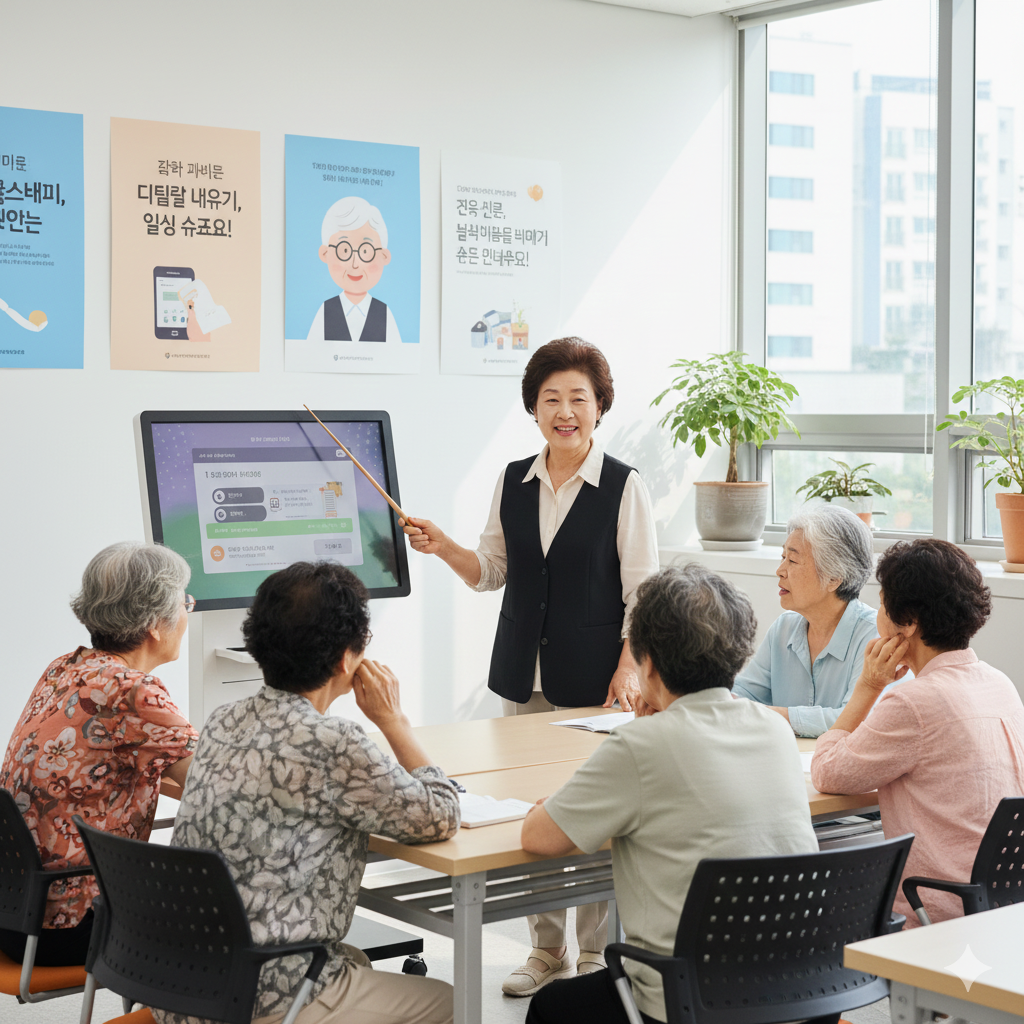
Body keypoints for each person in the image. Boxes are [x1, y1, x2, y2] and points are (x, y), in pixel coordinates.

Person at [400, 336, 660, 994]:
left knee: (595, 819)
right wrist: (443, 547)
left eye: (578, 398)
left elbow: (644, 592)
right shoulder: (514, 479)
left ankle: (601, 957)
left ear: (600, 407)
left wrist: (630, 667)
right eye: (552, 399)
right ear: (534, 408)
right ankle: (547, 952)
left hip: (596, 683)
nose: (565, 410)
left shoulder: (625, 487)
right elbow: (490, 571)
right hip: (528, 675)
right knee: (532, 815)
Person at [160, 562, 460, 1024]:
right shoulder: (335, 742)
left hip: (181, 985)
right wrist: (394, 721)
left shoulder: (221, 720)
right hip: (264, 995)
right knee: (452, 1002)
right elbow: (439, 814)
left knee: (355, 962)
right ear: (346, 658)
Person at [521, 564, 818, 1024]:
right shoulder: (774, 730)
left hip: (687, 999)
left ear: (650, 664)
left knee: (550, 1009)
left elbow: (539, 839)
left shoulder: (640, 748)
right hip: (795, 991)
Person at [0, 542, 198, 966]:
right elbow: (216, 779)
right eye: (185, 602)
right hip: (68, 926)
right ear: (155, 625)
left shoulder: (64, 668)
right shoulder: (131, 690)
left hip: (14, 912)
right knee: (233, 920)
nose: (188, 614)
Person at [812, 538, 1024, 927]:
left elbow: (827, 771)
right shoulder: (1000, 684)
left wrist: (868, 688)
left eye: (881, 604)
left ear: (907, 621)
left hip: (940, 916)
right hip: (1003, 906)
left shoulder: (914, 703)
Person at [732, 503, 878, 737]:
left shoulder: (873, 636)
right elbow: (743, 694)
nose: (780, 570)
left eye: (792, 560)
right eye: (782, 557)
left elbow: (858, 718)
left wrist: (763, 714)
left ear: (833, 578)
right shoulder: (784, 628)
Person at [306, 196, 402, 343]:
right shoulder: (325, 311)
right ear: (325, 253)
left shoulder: (384, 313)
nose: (355, 264)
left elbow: (398, 357)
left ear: (384, 256)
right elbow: (309, 355)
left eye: (365, 252)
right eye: (344, 250)